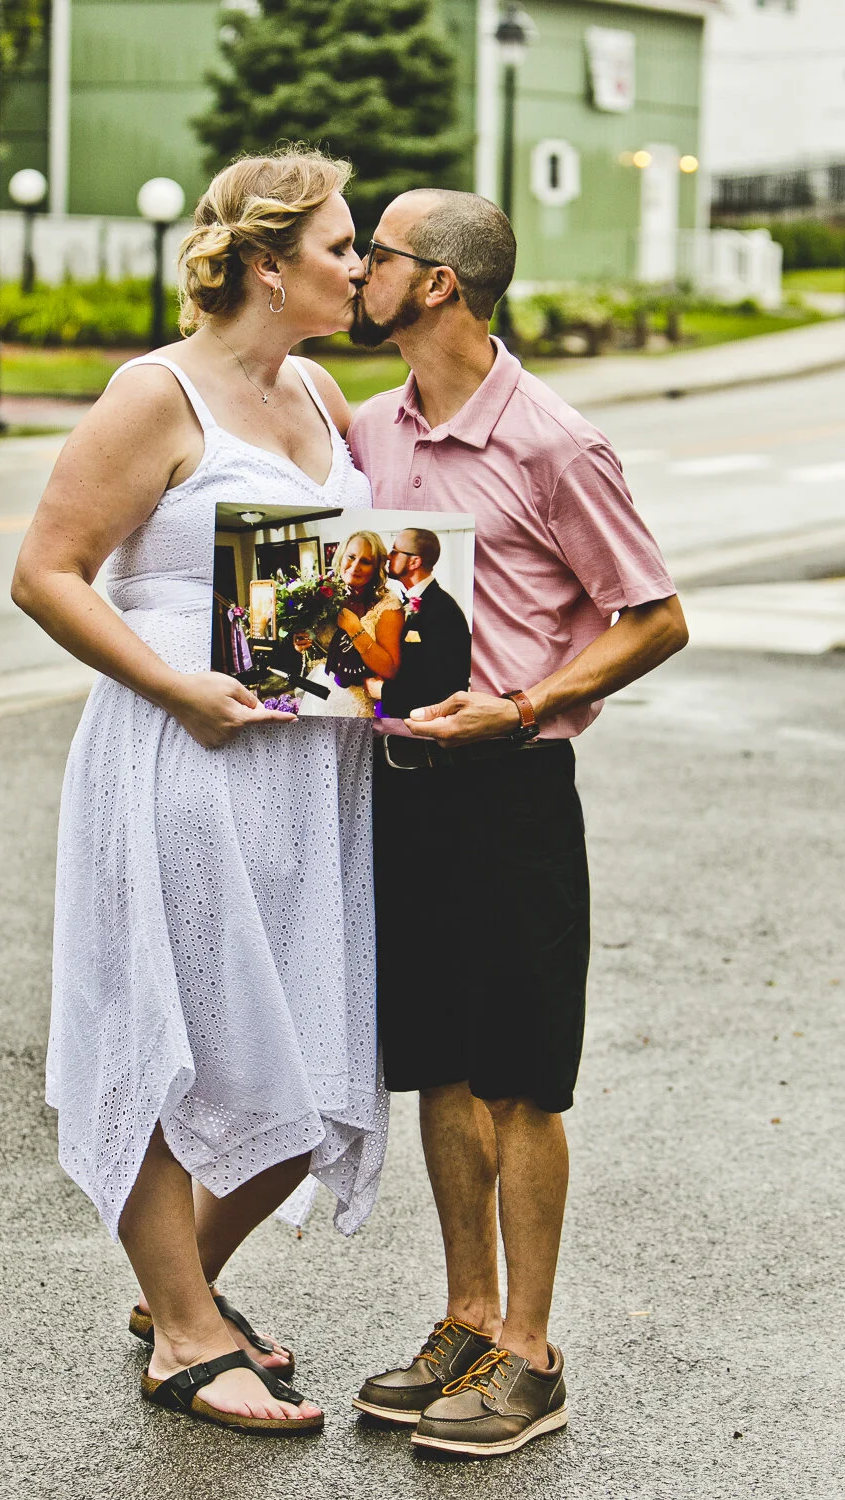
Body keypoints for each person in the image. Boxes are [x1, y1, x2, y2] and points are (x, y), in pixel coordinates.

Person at [11, 148, 389, 1437]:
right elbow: (47, 573)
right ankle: (181, 1331)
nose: (362, 263)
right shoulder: (152, 395)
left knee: (301, 1050)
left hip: (308, 765)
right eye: (342, 245)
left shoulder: (323, 389)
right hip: (184, 752)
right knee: (181, 1040)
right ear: (270, 266)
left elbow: (339, 576)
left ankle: (185, 1291)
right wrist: (177, 690)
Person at [347, 189, 689, 1458]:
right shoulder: (370, 427)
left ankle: (532, 1359)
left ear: (435, 283)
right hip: (402, 788)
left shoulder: (553, 442)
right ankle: (468, 1319)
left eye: (372, 255)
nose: (356, 274)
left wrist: (527, 703)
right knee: (439, 1065)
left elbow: (653, 615)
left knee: (519, 1080)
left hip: (513, 794)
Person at [366, 528, 471, 721]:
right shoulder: (406, 602)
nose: (389, 556)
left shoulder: (443, 610)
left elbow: (445, 685)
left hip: (424, 728)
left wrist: (385, 692)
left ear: (414, 561)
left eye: (395, 551)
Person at [295, 529, 403, 717]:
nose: (355, 566)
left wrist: (354, 629)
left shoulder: (387, 605)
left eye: (366, 561)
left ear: (376, 566)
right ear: (341, 556)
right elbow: (316, 646)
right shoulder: (322, 595)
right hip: (320, 697)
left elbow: (390, 669)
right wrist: (302, 641)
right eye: (351, 557)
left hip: (358, 707)